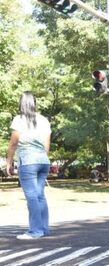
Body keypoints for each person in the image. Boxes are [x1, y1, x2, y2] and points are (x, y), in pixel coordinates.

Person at [6, 91, 52, 240]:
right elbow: (46, 145)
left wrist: (9, 161)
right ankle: (44, 228)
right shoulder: (44, 120)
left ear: (22, 104)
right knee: (40, 196)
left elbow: (13, 143)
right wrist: (41, 157)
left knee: (32, 197)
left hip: (28, 161)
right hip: (43, 161)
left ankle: (35, 231)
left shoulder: (19, 120)